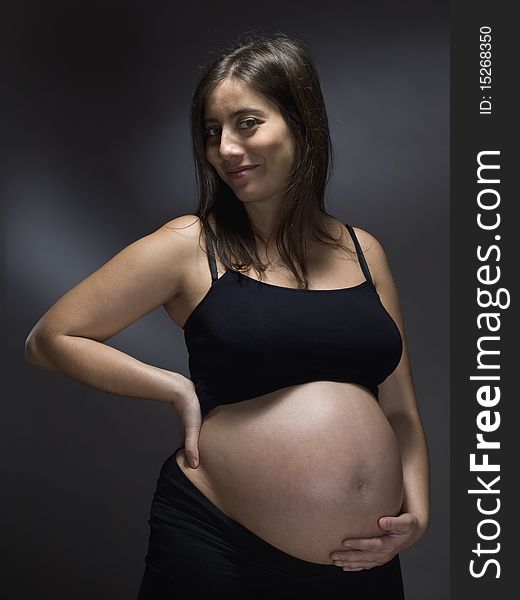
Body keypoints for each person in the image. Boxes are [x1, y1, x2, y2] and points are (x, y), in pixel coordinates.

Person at [25, 33, 429, 598]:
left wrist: (418, 516)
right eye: (212, 133)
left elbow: (402, 413)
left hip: (363, 563)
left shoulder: (365, 251)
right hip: (219, 547)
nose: (226, 149)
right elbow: (52, 337)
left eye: (246, 123)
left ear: (300, 122)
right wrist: (173, 387)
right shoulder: (189, 245)